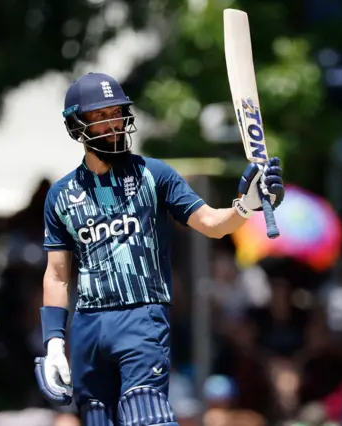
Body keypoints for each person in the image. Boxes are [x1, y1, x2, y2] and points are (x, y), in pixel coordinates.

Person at [33, 72, 284, 425]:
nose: (113, 124)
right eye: (101, 117)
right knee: (96, 419)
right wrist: (54, 341)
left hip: (142, 317)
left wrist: (245, 206)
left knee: (146, 416)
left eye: (117, 113)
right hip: (87, 325)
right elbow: (57, 275)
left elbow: (212, 224)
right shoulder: (60, 195)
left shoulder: (155, 174)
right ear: (77, 125)